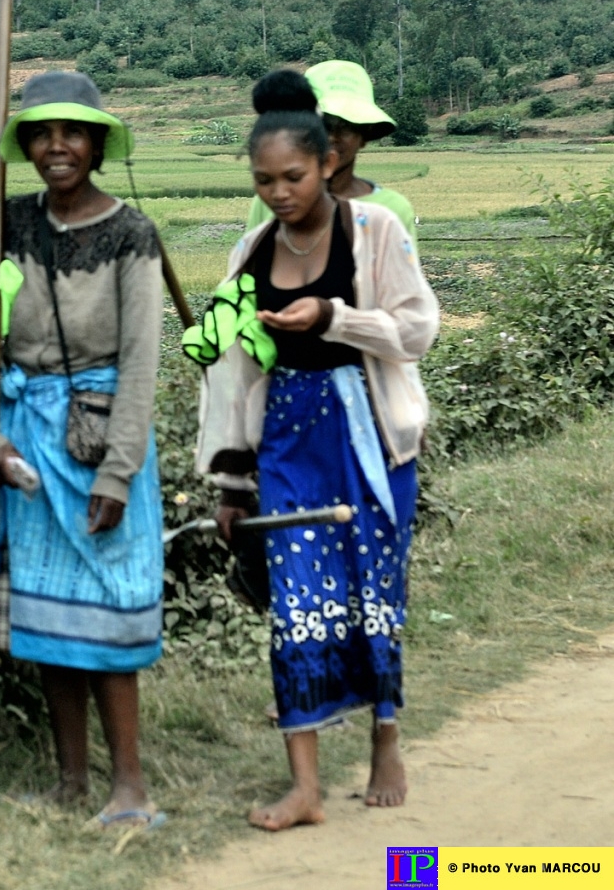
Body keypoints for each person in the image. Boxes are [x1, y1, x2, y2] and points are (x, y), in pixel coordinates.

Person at [197, 69, 439, 831]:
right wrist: (231, 480)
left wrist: (335, 315)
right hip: (288, 439)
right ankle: (303, 783)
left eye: (292, 176)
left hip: (370, 435)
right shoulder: (249, 252)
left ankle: (385, 738)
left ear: (326, 164)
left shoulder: (377, 234)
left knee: (375, 589)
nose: (278, 192)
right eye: (263, 179)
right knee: (296, 599)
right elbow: (231, 371)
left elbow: (416, 329)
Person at [0, 70, 166, 830]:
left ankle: (130, 784)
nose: (56, 147)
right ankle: (71, 780)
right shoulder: (5, 224)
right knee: (50, 622)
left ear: (98, 142)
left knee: (109, 617)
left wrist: (118, 468)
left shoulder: (130, 235)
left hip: (101, 439)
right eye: (42, 133)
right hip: (25, 443)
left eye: (72, 132)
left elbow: (143, 358)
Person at [246, 60, 418, 248]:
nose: (331, 137)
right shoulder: (276, 201)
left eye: (345, 127)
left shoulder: (391, 210)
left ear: (364, 135)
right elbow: (246, 273)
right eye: (323, 125)